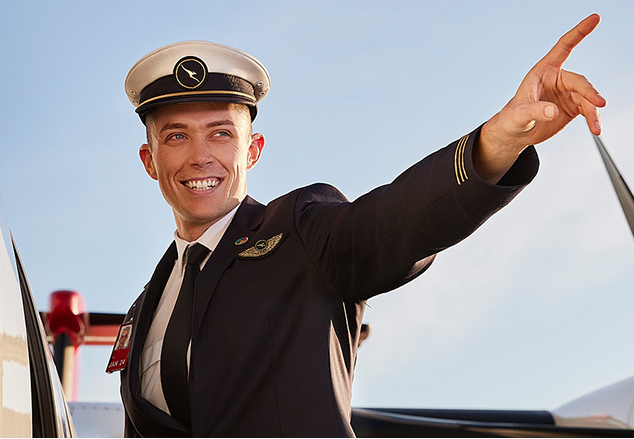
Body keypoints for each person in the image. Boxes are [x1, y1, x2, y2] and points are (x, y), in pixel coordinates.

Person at [110, 14, 607, 437]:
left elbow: (395, 222)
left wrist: (498, 142)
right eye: (176, 137)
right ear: (149, 160)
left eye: (220, 134)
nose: (200, 157)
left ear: (252, 151)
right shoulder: (147, 304)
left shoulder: (300, 230)